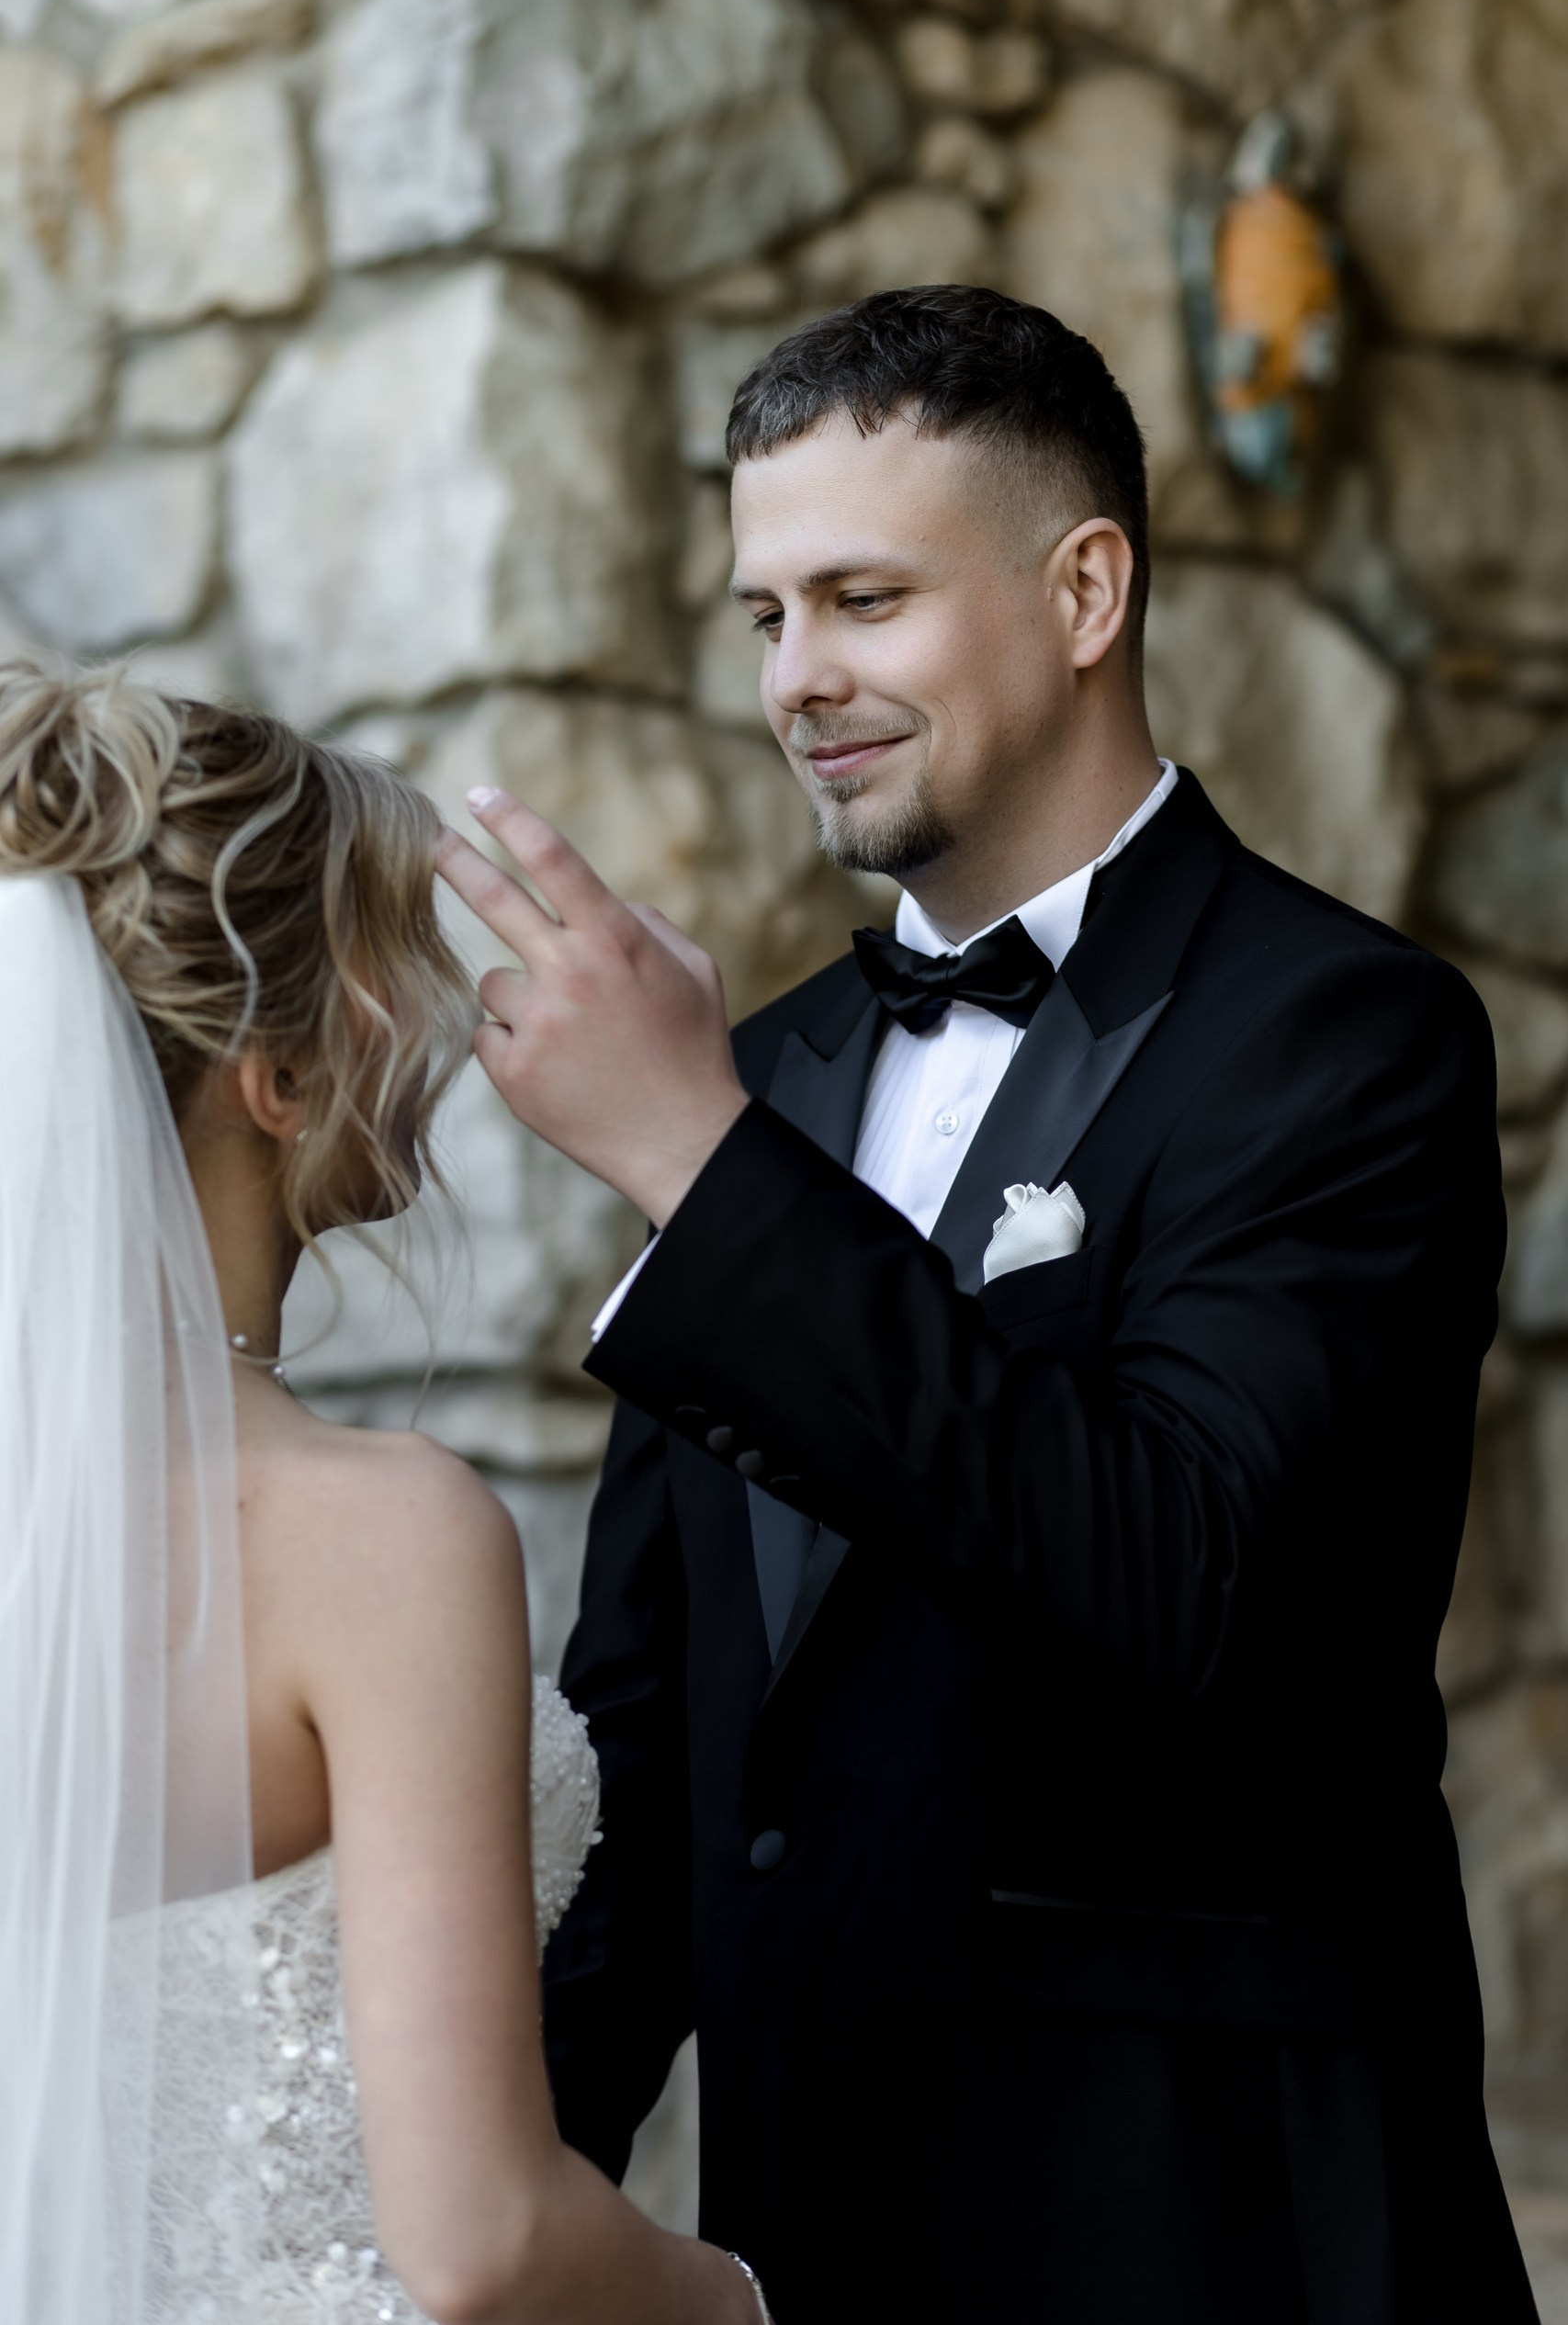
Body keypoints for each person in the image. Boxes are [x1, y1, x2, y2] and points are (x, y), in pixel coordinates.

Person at [436, 287, 1539, 2322]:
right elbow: (661, 1740)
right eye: (766, 614)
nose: (797, 677)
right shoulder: (757, 1077)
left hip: (1208, 2239)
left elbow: (1180, 1575)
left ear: (1083, 590)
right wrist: (460, 2216)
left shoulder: (1347, 1037)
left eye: (863, 599)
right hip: (810, 2238)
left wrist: (702, 1172)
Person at [0, 660, 770, 2325]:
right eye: (396, 957)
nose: (443, 1017)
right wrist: (746, 2306)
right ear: (275, 1080)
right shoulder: (379, 1534)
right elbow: (481, 2240)